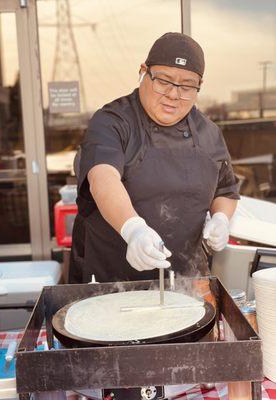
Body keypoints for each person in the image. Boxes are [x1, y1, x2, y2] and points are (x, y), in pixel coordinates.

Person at [69, 32, 240, 284]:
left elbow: (226, 189)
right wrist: (133, 229)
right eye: (164, 81)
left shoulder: (209, 133)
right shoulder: (112, 121)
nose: (173, 94)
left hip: (185, 282)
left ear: (198, 87)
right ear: (143, 72)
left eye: (187, 85)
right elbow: (103, 178)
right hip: (110, 280)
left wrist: (221, 218)